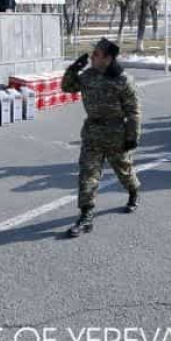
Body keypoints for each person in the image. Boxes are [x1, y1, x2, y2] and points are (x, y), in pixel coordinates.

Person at [62, 38, 141, 237]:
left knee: (124, 171)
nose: (92, 57)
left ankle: (133, 191)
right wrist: (73, 69)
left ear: (108, 58)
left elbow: (133, 111)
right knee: (87, 174)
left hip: (116, 135)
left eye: (96, 54)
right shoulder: (88, 75)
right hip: (92, 133)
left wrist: (132, 136)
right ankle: (86, 216)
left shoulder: (123, 80)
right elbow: (67, 87)